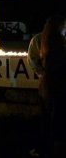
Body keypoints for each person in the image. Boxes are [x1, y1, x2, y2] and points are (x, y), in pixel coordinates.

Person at [27, 15, 66, 157]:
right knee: (57, 116)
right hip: (55, 83)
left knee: (47, 118)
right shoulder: (48, 40)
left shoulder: (38, 39)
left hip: (48, 84)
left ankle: (46, 148)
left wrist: (42, 74)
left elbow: (32, 60)